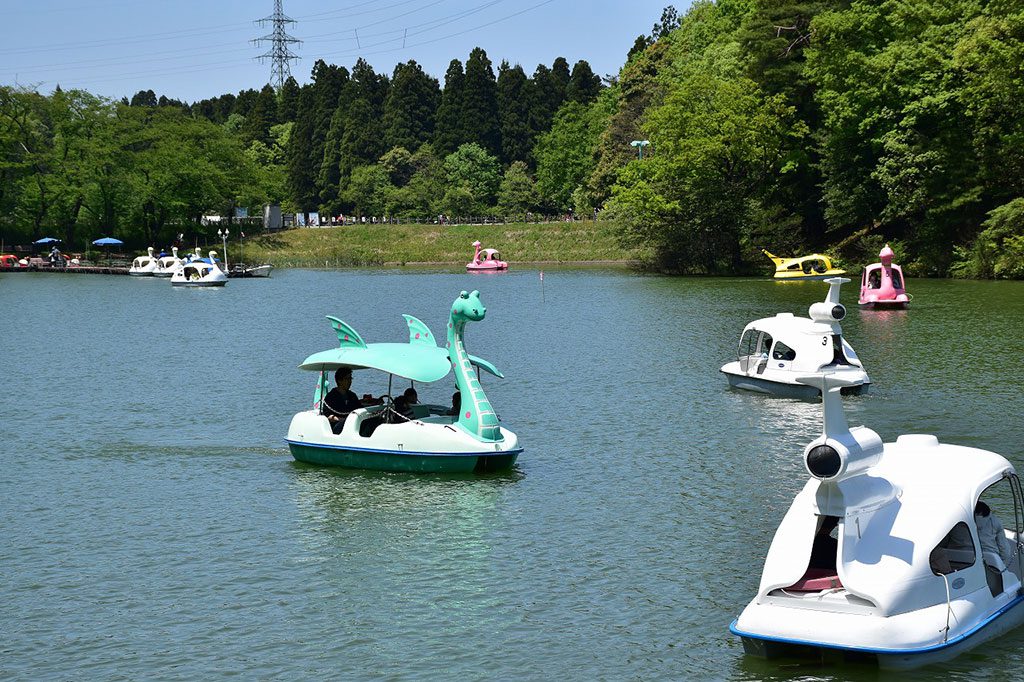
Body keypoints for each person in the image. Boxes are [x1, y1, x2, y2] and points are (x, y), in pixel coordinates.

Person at [323, 368, 361, 434]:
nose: (350, 381)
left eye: (350, 378)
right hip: (337, 427)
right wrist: (344, 420)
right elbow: (327, 416)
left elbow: (359, 409)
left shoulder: (352, 396)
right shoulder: (331, 397)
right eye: (347, 379)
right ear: (339, 381)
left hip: (353, 425)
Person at [975, 501, 1013, 566]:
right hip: (991, 562)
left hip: (962, 561)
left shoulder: (959, 525)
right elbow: (1005, 552)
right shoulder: (996, 521)